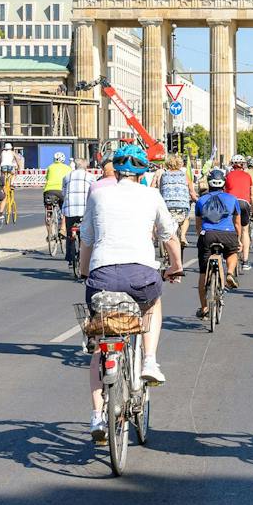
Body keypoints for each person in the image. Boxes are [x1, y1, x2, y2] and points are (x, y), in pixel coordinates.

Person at [78, 144, 183, 440]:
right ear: (142, 171)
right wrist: (175, 266)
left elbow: (86, 239)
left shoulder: (97, 194)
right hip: (141, 274)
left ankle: (97, 417)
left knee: (100, 345)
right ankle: (149, 359)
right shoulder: (151, 195)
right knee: (152, 306)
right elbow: (169, 236)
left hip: (101, 276)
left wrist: (86, 273)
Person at [192, 167, 248, 314]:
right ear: (223, 184)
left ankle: (204, 307)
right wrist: (238, 239)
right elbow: (237, 223)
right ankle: (230, 273)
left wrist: (201, 236)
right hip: (228, 234)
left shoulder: (201, 200)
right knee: (232, 252)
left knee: (203, 273)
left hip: (208, 235)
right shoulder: (232, 199)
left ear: (209, 184)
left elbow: (198, 224)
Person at [60, 156, 99, 274]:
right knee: (86, 234)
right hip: (85, 211)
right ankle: (86, 258)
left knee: (69, 233)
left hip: (70, 210)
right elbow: (95, 193)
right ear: (86, 166)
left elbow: (63, 193)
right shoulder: (91, 177)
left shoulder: (66, 177)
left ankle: (70, 258)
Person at [224, 154, 253, 263]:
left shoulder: (228, 176)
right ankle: (245, 260)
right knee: (245, 231)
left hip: (231, 203)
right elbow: (251, 194)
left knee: (230, 228)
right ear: (243, 165)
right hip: (244, 203)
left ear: (232, 165)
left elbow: (225, 192)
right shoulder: (248, 176)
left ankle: (229, 254)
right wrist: (252, 208)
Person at [158, 157, 195, 252]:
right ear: (180, 164)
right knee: (186, 219)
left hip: (167, 205)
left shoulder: (164, 175)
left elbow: (161, 190)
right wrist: (196, 200)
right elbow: (192, 192)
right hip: (182, 206)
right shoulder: (185, 175)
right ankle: (182, 236)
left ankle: (167, 250)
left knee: (166, 224)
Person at [42, 151, 72, 242]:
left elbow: (47, 178)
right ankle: (62, 229)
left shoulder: (50, 167)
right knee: (65, 210)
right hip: (61, 191)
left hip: (49, 191)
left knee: (48, 212)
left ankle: (49, 234)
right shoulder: (67, 168)